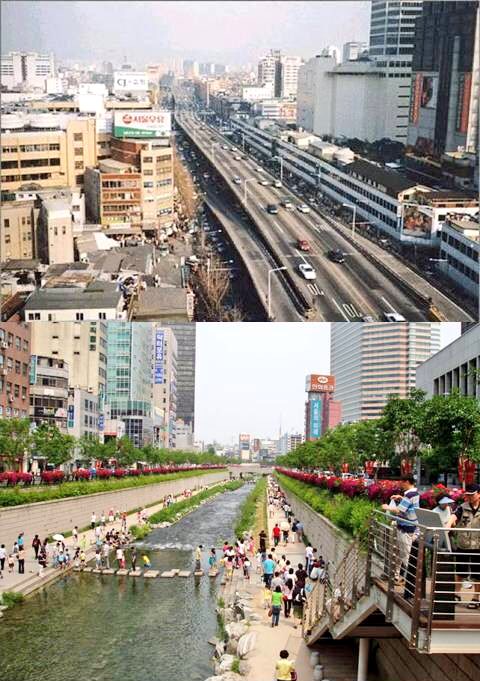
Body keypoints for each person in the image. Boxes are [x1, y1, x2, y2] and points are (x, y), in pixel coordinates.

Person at [381, 474, 419, 585]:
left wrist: (387, 507)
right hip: (407, 527)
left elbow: (399, 510)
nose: (400, 484)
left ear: (407, 481)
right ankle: (396, 576)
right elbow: (410, 506)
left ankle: (411, 584)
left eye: (401, 482)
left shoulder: (410, 494)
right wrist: (401, 498)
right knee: (398, 553)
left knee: (406, 556)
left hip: (406, 529)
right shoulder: (414, 494)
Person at [450, 484, 480, 609]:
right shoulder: (462, 507)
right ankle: (457, 594)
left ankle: (476, 598)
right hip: (463, 544)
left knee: (478, 574)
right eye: (467, 494)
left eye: (471, 494)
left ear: (479, 494)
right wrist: (447, 526)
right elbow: (453, 517)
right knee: (460, 570)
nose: (469, 497)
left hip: (478, 545)